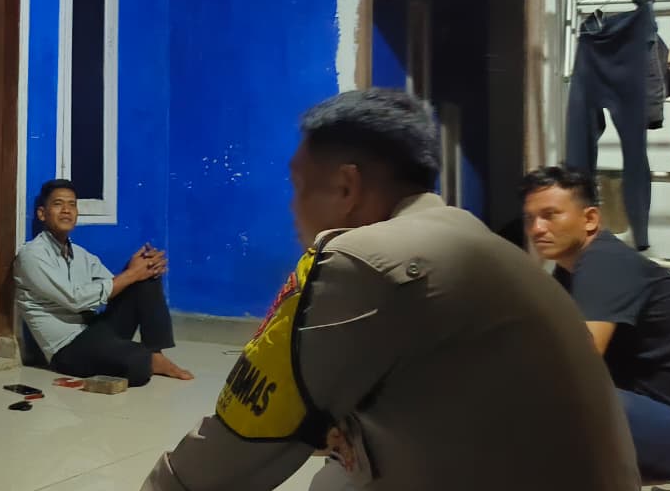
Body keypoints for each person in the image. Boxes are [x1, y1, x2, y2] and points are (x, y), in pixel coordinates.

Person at [141, 89, 640, 491]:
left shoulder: (359, 259)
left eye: (298, 186)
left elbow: (242, 440)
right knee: (336, 476)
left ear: (346, 188)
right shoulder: (482, 242)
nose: (292, 206)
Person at [521, 165, 670, 480]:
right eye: (530, 218)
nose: (537, 228)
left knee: (561, 392)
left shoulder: (606, 263)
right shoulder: (570, 272)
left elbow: (579, 360)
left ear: (590, 219)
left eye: (550, 215)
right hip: (665, 416)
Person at [14, 179, 192, 387]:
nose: (66, 210)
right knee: (136, 364)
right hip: (67, 349)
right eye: (58, 204)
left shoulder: (81, 255)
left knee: (146, 276)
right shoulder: (32, 255)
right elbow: (74, 299)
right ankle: (146, 359)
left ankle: (155, 352)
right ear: (42, 214)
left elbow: (114, 286)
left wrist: (138, 269)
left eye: (72, 204)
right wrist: (131, 274)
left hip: (94, 331)